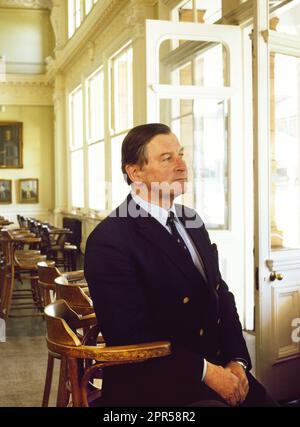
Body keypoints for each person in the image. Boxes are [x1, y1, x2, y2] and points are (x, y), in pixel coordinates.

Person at [84, 123, 277, 407]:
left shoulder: (192, 220)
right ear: (135, 172)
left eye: (181, 155)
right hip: (154, 385)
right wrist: (207, 372)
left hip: (218, 366)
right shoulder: (109, 239)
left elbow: (221, 295)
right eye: (167, 158)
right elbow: (132, 337)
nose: (182, 165)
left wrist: (237, 361)